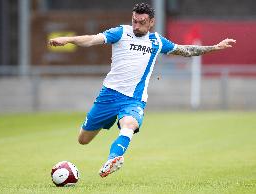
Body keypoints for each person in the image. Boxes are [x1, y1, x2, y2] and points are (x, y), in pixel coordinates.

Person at [49, 3, 236, 178]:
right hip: (108, 95)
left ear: (152, 22)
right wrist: (68, 39)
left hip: (134, 99)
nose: (137, 26)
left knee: (129, 125)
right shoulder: (121, 32)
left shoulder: (157, 41)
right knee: (83, 139)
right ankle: (106, 139)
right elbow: (91, 40)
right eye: (134, 21)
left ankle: (112, 159)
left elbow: (184, 50)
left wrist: (214, 47)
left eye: (142, 22)